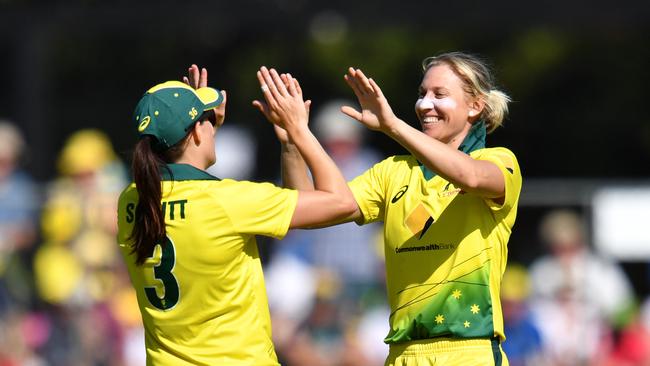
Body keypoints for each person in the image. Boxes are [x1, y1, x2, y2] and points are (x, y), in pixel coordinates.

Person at [277, 52, 522, 365]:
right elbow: (307, 211)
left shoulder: (497, 161)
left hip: (468, 351)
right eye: (422, 94)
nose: (424, 105)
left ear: (475, 106)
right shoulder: (392, 172)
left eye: (439, 94)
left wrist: (392, 125)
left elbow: (470, 177)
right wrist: (294, 138)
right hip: (402, 354)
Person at [116, 64, 356, 365]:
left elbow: (186, 191)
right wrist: (298, 130)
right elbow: (341, 203)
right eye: (206, 119)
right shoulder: (231, 202)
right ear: (196, 133)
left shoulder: (130, 201)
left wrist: (201, 130)